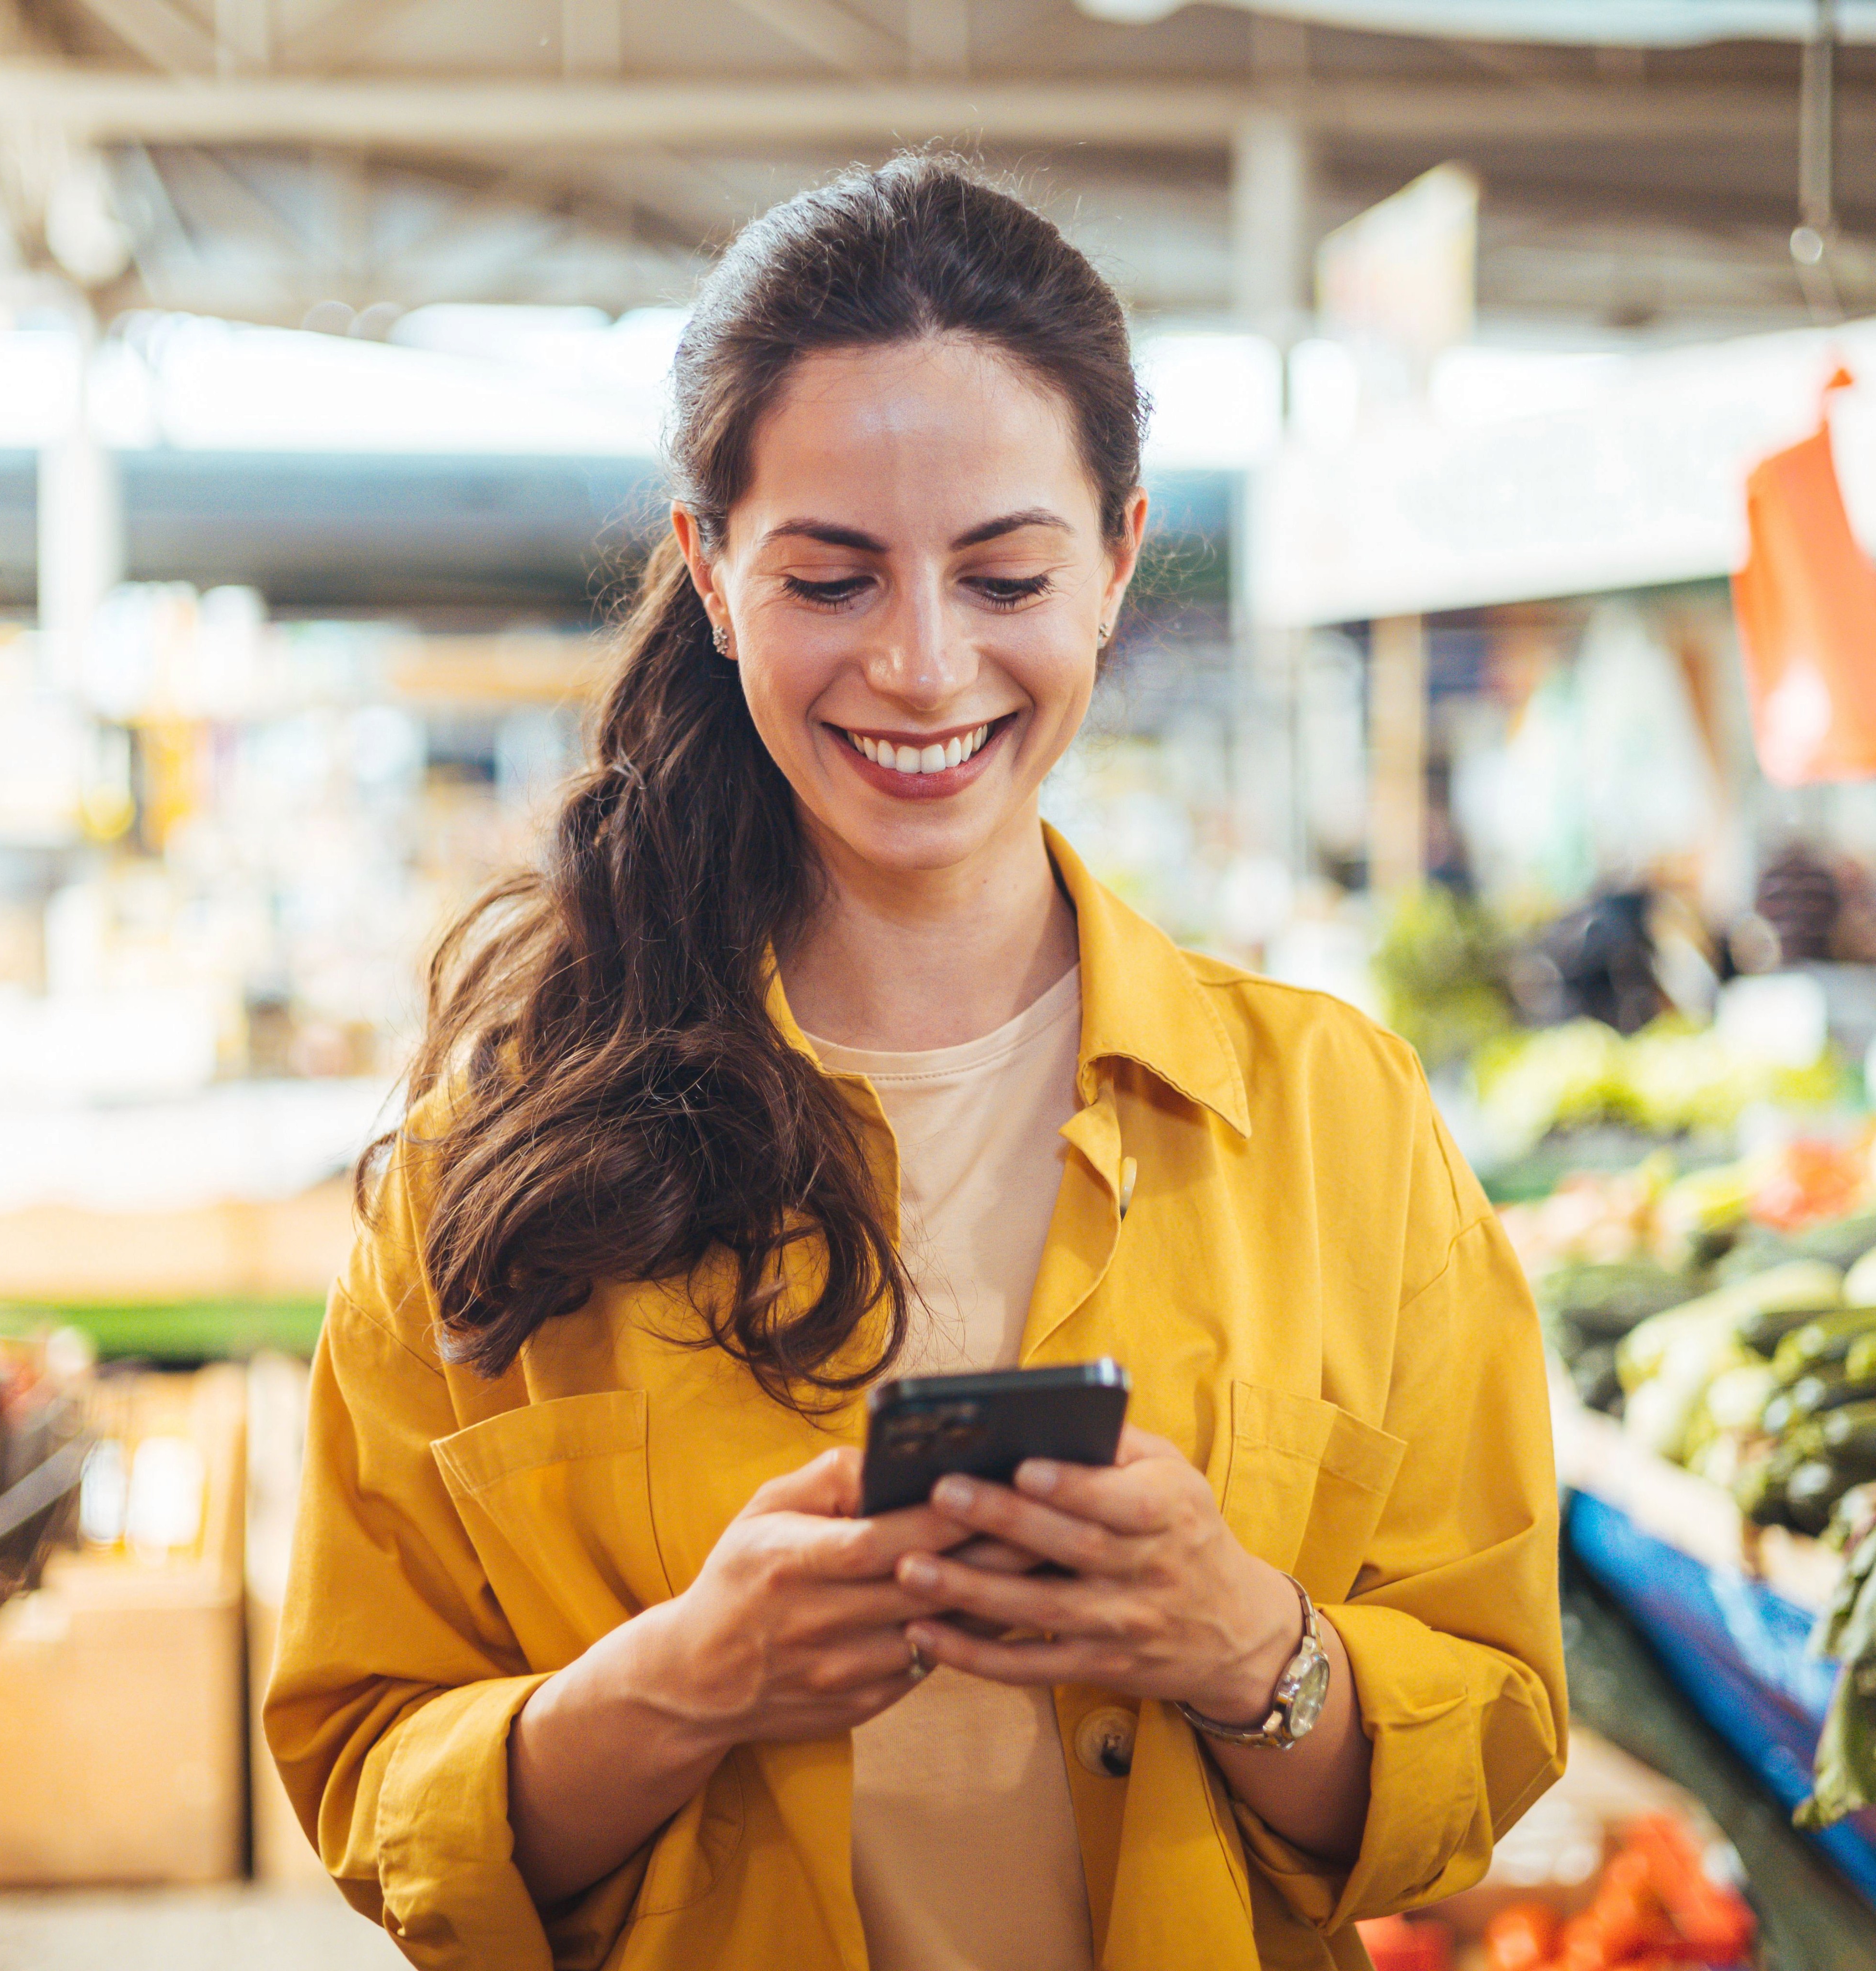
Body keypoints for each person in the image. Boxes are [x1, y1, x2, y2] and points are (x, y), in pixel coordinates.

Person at [265, 156, 1566, 1971]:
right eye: (833, 575)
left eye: (1004, 571)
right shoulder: (497, 1156)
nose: (923, 662)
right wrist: (683, 1684)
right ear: (713, 571)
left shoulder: (1340, 1120)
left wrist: (1246, 1647)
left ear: (1114, 562)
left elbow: (1490, 1730)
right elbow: (362, 1778)